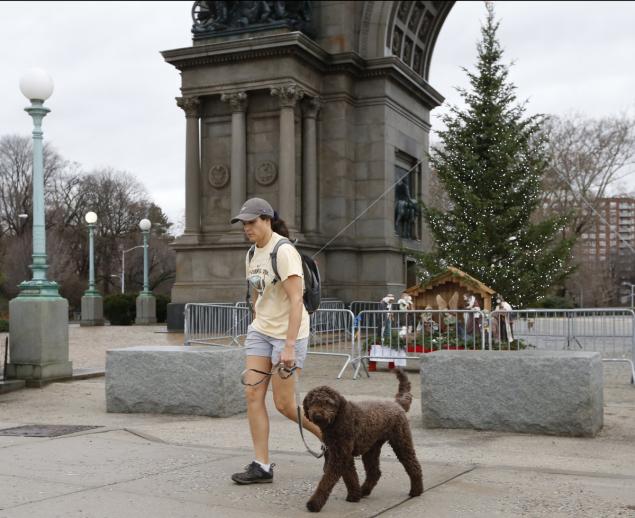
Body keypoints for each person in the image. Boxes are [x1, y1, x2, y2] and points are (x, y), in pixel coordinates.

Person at [229, 197, 322, 485]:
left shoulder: (283, 251)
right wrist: (256, 318)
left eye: (252, 222)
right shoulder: (251, 254)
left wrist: (290, 346)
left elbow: (296, 301)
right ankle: (262, 465)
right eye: (244, 223)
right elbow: (256, 291)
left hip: (288, 334)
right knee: (252, 395)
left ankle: (333, 438)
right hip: (261, 331)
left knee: (283, 404)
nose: (247, 228)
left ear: (267, 220)